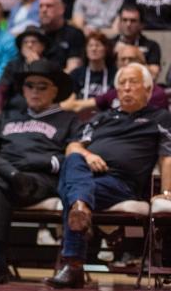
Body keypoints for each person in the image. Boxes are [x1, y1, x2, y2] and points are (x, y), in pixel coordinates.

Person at [46, 63, 171, 289]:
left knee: (73, 188)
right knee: (73, 157)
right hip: (88, 176)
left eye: (133, 82)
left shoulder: (160, 118)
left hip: (121, 184)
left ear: (148, 89)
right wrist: (87, 154)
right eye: (122, 84)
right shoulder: (101, 118)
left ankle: (73, 264)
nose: (126, 88)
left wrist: (166, 192)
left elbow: (167, 157)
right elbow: (73, 146)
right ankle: (81, 208)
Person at [0, 59, 79, 284]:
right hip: (8, 177)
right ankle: (10, 174)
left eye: (42, 86)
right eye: (29, 85)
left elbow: (75, 154)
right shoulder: (9, 117)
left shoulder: (68, 120)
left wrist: (40, 162)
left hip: (40, 179)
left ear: (55, 90)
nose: (34, 91)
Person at [111, 4, 161, 79]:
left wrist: (134, 55)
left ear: (141, 24)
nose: (128, 24)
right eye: (124, 20)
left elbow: (154, 75)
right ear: (119, 23)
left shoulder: (152, 46)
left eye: (133, 21)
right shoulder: (110, 44)